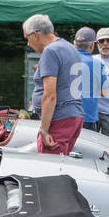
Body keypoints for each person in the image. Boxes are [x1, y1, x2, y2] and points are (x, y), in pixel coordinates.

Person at [23, 13, 85, 155]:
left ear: (35, 35)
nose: (28, 43)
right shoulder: (69, 47)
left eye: (27, 38)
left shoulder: (50, 51)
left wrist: (44, 130)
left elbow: (50, 95)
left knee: (50, 169)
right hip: (74, 115)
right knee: (61, 165)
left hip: (59, 118)